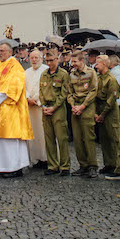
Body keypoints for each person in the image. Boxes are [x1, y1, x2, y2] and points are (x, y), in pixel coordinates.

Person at [0, 42, 33, 177]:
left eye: (3, 51)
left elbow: (13, 89)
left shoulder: (15, 67)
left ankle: (14, 168)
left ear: (10, 52)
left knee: (9, 141)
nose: (0, 53)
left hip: (9, 111)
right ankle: (1, 167)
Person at [38, 47, 72, 176]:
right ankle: (52, 165)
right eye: (47, 60)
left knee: (62, 138)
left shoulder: (63, 74)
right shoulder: (44, 74)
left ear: (57, 59)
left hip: (58, 109)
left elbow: (64, 93)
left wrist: (54, 107)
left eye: (51, 60)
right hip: (46, 108)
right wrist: (43, 106)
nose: (49, 63)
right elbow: (40, 92)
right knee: (49, 138)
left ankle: (65, 166)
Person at [68, 51, 100, 178]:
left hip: (87, 107)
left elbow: (93, 91)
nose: (73, 64)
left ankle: (92, 166)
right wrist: (73, 105)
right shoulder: (72, 75)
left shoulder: (91, 73)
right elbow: (69, 92)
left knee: (88, 138)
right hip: (75, 108)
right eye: (72, 61)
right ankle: (83, 166)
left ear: (82, 61)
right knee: (77, 139)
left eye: (75, 61)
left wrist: (82, 106)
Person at [93, 55, 120, 179]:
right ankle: (108, 164)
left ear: (104, 64)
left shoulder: (111, 79)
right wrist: (96, 114)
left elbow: (112, 99)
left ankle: (117, 166)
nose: (95, 66)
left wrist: (102, 114)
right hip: (100, 111)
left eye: (97, 64)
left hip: (109, 113)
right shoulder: (99, 78)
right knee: (104, 140)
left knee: (114, 140)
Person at [23, 49, 49, 169]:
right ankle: (36, 158)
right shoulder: (26, 72)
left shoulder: (46, 70)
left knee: (43, 134)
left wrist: (37, 100)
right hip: (30, 106)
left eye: (36, 58)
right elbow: (23, 87)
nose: (34, 60)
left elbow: (46, 89)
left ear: (41, 58)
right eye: (32, 58)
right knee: (33, 133)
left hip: (40, 106)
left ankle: (46, 158)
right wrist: (28, 98)